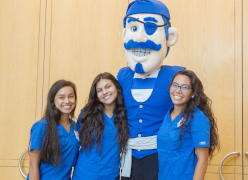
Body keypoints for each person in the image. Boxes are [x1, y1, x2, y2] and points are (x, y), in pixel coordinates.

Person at [117, 0, 185, 179]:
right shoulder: (122, 76)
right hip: (129, 157)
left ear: (169, 36)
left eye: (150, 27)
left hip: (160, 155)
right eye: (133, 29)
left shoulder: (176, 76)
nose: (139, 38)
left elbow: (189, 119)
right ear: (124, 34)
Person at [157, 70, 220, 179]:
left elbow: (203, 159)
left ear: (193, 93)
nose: (178, 90)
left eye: (184, 87)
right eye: (175, 85)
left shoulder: (197, 118)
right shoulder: (168, 115)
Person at [72, 72, 130, 180]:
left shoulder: (124, 115)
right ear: (97, 95)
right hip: (84, 175)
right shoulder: (87, 114)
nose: (104, 92)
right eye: (99, 90)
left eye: (108, 87)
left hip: (110, 175)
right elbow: (75, 144)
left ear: (116, 87)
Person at [27, 80, 80, 180]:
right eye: (61, 97)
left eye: (71, 96)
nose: (67, 101)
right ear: (53, 100)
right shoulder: (41, 127)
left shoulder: (76, 127)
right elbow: (33, 164)